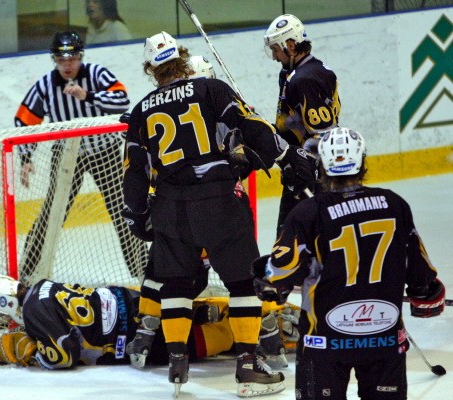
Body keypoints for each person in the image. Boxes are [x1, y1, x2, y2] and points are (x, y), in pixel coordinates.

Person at [121, 31, 314, 397]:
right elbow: (252, 126)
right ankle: (248, 365)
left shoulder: (142, 109)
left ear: (150, 68)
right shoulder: (210, 88)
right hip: (218, 200)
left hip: (170, 207)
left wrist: (137, 213)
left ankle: (177, 362)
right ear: (182, 58)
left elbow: (135, 171)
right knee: (242, 284)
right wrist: (286, 155)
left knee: (176, 284)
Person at [252, 127, 445, 400]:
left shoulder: (307, 212)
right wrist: (427, 292)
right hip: (385, 339)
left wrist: (265, 276)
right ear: (363, 162)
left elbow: (280, 272)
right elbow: (421, 278)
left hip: (323, 342)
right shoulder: (395, 204)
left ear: (321, 166)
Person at [14, 30, 148, 281]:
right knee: (52, 214)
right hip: (66, 156)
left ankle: (143, 271)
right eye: (61, 60)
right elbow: (24, 120)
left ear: (81, 56)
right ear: (54, 59)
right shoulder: (45, 85)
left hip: (104, 151)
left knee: (124, 210)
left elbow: (122, 100)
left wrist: (88, 96)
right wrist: (26, 158)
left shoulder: (97, 74)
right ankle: (28, 274)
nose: (67, 65)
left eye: (72, 59)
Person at [0, 275, 235, 369]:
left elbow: (64, 356)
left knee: (191, 343)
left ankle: (239, 335)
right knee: (179, 311)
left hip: (126, 333)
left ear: (7, 302)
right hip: (126, 299)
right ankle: (222, 313)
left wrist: (34, 356)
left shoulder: (32, 311)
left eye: (4, 314)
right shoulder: (43, 285)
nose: (9, 321)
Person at [263, 14, 341, 232]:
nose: (274, 56)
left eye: (276, 50)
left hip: (310, 174)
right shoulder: (294, 73)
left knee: (292, 236)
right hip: (299, 167)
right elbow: (293, 121)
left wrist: (304, 171)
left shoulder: (305, 79)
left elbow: (322, 136)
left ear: (290, 45)